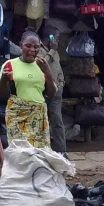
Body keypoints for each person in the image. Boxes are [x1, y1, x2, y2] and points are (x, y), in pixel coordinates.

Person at [0, 29, 57, 149]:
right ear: (20, 46)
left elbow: (52, 93)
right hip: (17, 117)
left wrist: (48, 74)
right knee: (19, 153)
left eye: (36, 47)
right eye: (28, 46)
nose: (32, 50)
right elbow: (0, 93)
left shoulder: (42, 65)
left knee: (39, 154)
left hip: (38, 116)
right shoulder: (10, 64)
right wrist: (4, 79)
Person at [39, 25, 66, 153]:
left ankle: (62, 151)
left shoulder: (55, 52)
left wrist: (61, 83)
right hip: (42, 92)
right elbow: (42, 65)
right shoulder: (38, 50)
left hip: (56, 91)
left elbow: (58, 68)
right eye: (56, 38)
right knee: (41, 122)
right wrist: (52, 51)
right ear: (50, 38)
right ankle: (43, 151)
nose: (58, 41)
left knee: (57, 122)